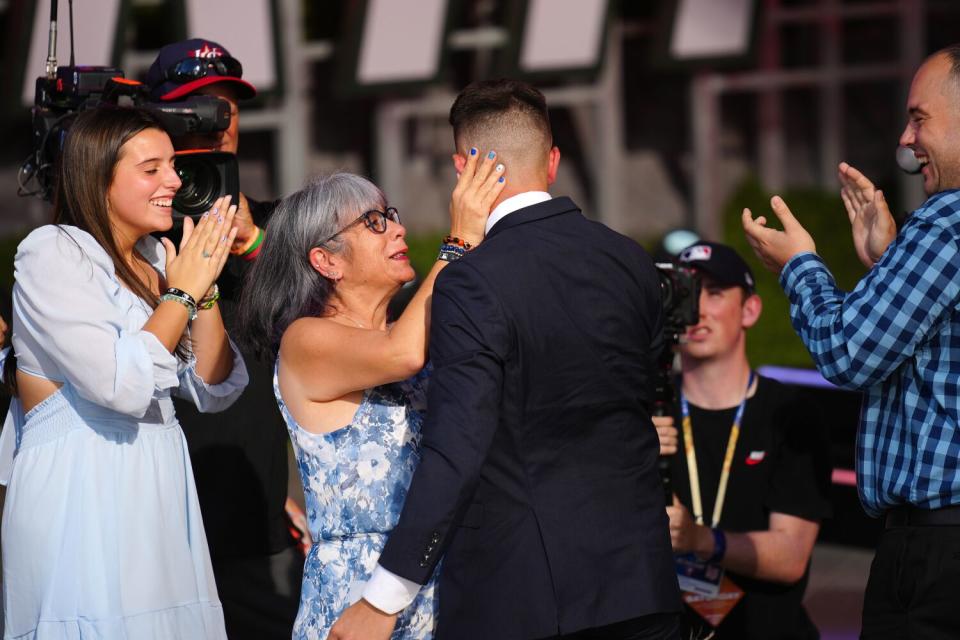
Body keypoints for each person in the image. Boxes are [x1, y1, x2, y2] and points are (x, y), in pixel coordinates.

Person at [330, 79, 681, 640]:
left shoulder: (472, 282)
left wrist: (383, 598)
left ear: (462, 168)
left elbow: (457, 447)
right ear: (554, 161)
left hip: (529, 599)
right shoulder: (631, 261)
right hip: (642, 583)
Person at [0, 106, 247, 638]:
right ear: (99, 177)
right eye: (152, 168)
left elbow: (212, 385)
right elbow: (116, 384)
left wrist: (203, 289)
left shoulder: (160, 256)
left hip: (157, 486)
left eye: (174, 167)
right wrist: (181, 293)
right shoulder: (53, 252)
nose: (175, 181)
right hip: (84, 490)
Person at [742, 44, 960, 638]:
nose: (906, 139)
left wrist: (799, 265)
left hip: (940, 551)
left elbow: (849, 353)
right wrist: (888, 261)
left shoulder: (948, 221)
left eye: (920, 118)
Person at [238, 157, 501, 640]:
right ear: (327, 260)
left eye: (392, 215)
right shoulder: (305, 341)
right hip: (357, 599)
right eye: (374, 223)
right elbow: (401, 355)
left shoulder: (411, 331)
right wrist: (460, 241)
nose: (398, 230)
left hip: (447, 583)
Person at [145, 39, 306, 639]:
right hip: (153, 531)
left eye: (228, 107)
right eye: (196, 109)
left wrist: (255, 242)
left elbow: (333, 316)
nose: (218, 124)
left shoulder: (277, 226)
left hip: (250, 527)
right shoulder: (123, 237)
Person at [654, 241, 832, 639]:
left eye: (714, 292)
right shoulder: (648, 411)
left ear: (749, 309)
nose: (697, 308)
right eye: (686, 292)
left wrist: (699, 539)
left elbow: (790, 557)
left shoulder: (789, 412)